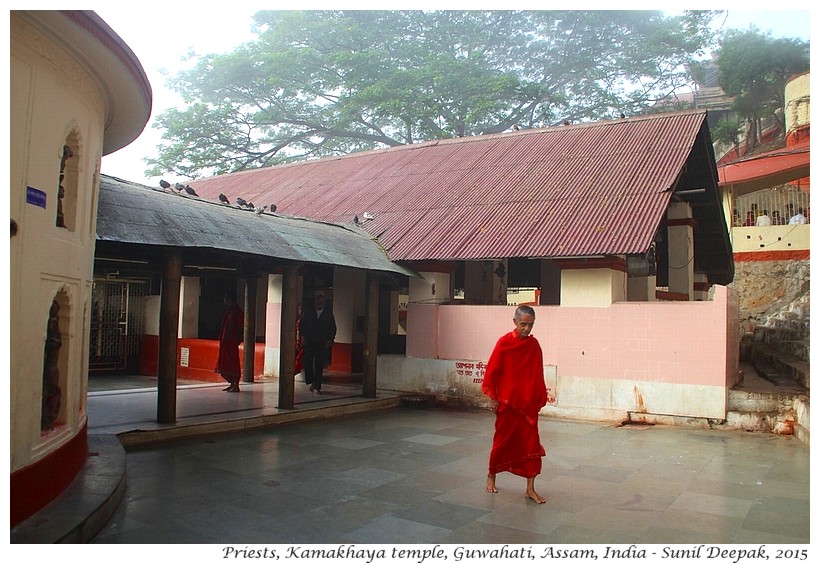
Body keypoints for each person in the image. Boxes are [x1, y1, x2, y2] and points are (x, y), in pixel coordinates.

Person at [481, 304, 548, 504]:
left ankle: (530, 488)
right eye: (523, 325)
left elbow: (537, 374)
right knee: (501, 442)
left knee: (530, 445)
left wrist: (537, 397)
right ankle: (491, 475)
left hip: (527, 405)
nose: (527, 329)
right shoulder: (504, 343)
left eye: (531, 325)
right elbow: (492, 371)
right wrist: (494, 397)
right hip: (508, 404)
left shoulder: (533, 346)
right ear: (515, 322)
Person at [300, 292, 336, 394]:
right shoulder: (309, 313)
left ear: (324, 303)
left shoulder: (328, 315)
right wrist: (303, 337)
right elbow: (302, 326)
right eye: (318, 302)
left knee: (319, 364)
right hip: (309, 342)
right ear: (315, 302)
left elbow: (332, 328)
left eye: (322, 302)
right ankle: (311, 381)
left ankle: (317, 385)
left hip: (322, 343)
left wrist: (330, 340)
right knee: (307, 362)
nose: (320, 304)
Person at [215, 291, 244, 392]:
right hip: (226, 341)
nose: (224, 300)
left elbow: (239, 326)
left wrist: (237, 339)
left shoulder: (236, 310)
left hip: (232, 341)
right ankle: (232, 383)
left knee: (232, 362)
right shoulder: (229, 310)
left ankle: (236, 384)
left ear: (229, 298)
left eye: (226, 297)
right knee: (226, 362)